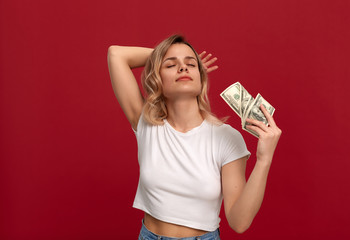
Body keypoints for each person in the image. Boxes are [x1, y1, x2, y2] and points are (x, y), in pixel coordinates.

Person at [107, 35, 282, 240]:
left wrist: (264, 160)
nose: (183, 68)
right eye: (171, 65)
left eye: (191, 64)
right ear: (158, 79)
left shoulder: (227, 138)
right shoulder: (147, 123)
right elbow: (115, 54)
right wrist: (166, 57)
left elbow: (239, 222)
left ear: (201, 78)